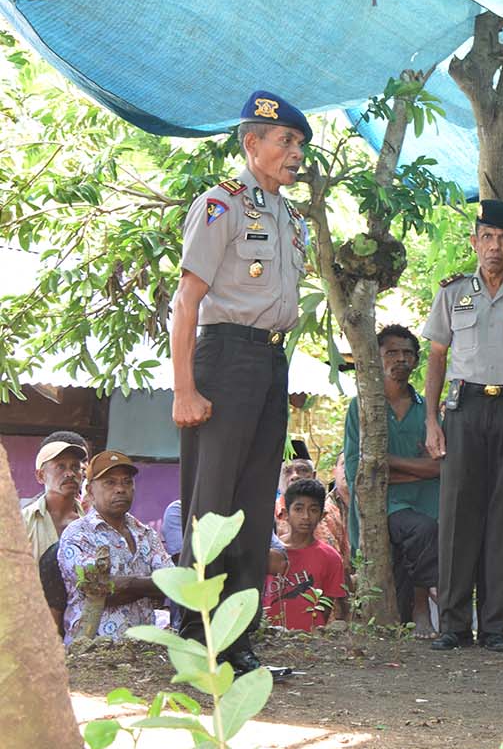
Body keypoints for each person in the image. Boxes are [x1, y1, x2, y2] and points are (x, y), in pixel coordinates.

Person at [171, 90, 311, 675]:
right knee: (213, 504)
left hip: (270, 362)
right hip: (223, 359)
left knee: (255, 504)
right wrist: (184, 388)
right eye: (286, 141)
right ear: (252, 144)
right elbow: (186, 301)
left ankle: (238, 640)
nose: (296, 153)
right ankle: (193, 636)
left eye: (301, 144)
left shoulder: (291, 218)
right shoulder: (220, 205)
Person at [422, 199, 503, 653]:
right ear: (474, 242)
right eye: (487, 237)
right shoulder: (451, 293)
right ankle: (454, 625)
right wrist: (431, 421)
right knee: (459, 514)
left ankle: (496, 626)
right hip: (464, 408)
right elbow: (436, 358)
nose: (494, 247)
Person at [343, 324, 442, 636]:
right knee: (420, 531)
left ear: (416, 360)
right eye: (392, 353)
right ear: (377, 358)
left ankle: (419, 609)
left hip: (426, 502)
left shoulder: (427, 409)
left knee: (423, 532)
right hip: (383, 507)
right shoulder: (363, 407)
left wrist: (385, 461)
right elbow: (358, 468)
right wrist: (415, 467)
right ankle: (417, 608)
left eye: (408, 353)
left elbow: (439, 467)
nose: (401, 359)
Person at [56, 451, 169, 645]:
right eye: (109, 482)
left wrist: (125, 584)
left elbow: (171, 583)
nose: (120, 489)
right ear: (90, 490)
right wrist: (148, 587)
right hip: (92, 655)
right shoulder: (78, 534)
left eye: (127, 482)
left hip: (143, 654)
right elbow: (97, 590)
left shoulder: (146, 534)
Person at [22, 432, 90, 631]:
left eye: (75, 467)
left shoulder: (92, 526)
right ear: (41, 475)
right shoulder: (21, 523)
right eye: (60, 466)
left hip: (79, 632)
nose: (69, 473)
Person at [263, 478, 348, 631]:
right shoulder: (270, 555)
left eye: (313, 510)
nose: (306, 516)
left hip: (309, 642)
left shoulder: (331, 558)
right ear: (286, 513)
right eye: (298, 509)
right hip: (269, 638)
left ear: (322, 515)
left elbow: (325, 610)